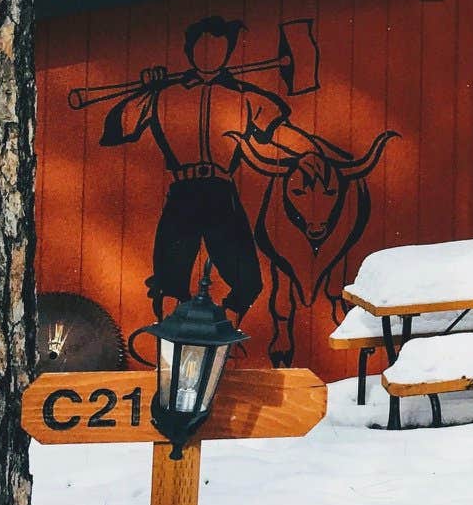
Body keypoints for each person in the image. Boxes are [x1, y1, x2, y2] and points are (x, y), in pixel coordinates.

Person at [100, 17, 323, 319]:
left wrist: (310, 152)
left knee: (248, 281)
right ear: (189, 51)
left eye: (218, 50)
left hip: (221, 194)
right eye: (203, 49)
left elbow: (279, 130)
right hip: (183, 194)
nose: (210, 57)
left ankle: (222, 333)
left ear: (229, 52)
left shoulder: (243, 96)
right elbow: (117, 129)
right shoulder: (163, 94)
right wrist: (145, 90)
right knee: (169, 279)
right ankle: (172, 345)